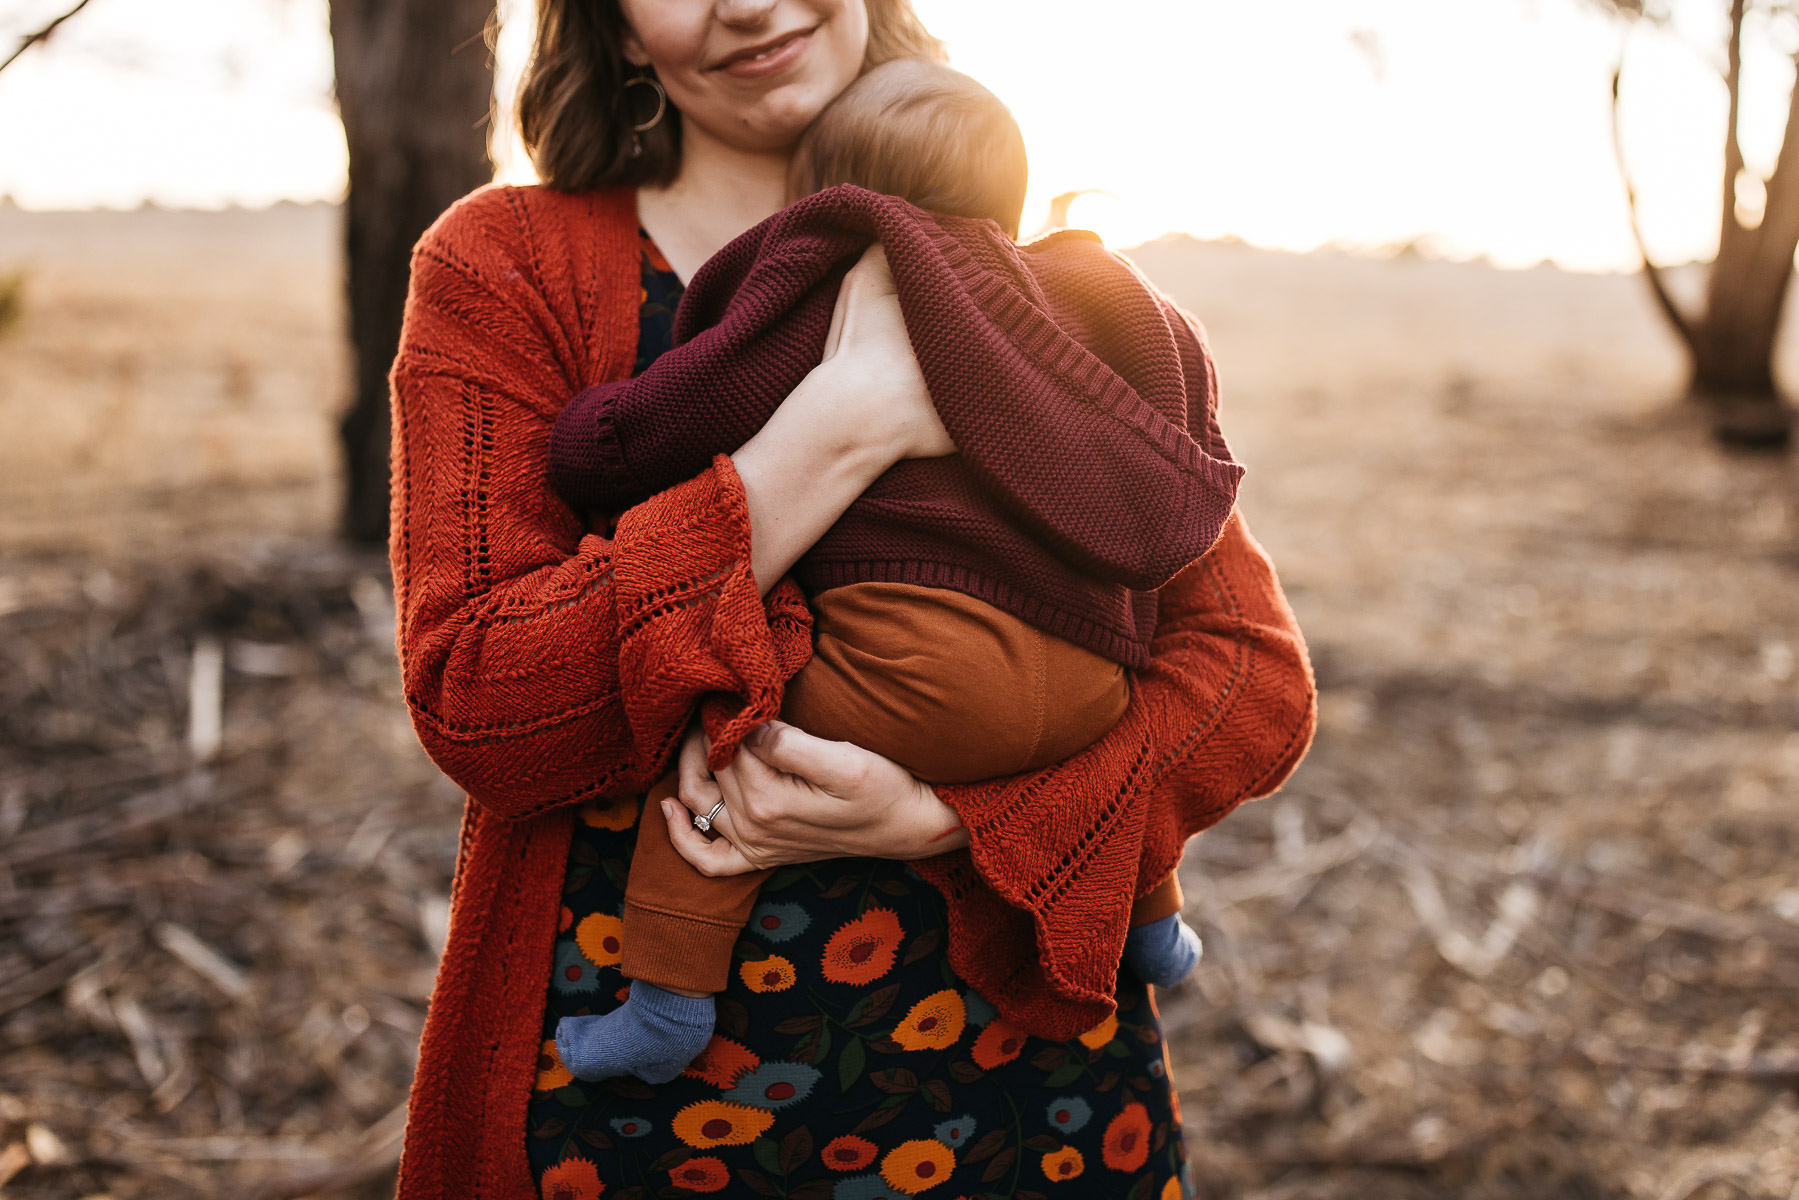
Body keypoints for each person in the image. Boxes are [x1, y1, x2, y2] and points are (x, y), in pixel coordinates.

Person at [386, 2, 1316, 1198]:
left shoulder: (1029, 262)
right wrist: (834, 428)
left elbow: (1250, 678)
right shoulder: (506, 265)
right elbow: (483, 703)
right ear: (611, 27)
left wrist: (949, 814)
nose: (749, 2)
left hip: (1030, 1100)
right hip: (642, 1136)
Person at [547, 58, 1234, 1085]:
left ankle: (664, 997)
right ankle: (1148, 926)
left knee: (719, 720)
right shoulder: (1084, 307)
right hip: (1095, 678)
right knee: (1118, 771)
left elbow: (693, 407)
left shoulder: (838, 281)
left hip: (914, 671)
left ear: (829, 198)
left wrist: (594, 436)